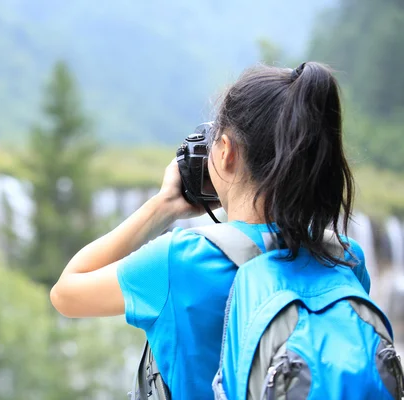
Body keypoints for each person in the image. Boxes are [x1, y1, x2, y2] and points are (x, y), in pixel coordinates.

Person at [49, 62, 370, 399]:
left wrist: (164, 205)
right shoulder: (346, 258)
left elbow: (65, 293)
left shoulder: (181, 260)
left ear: (226, 153)